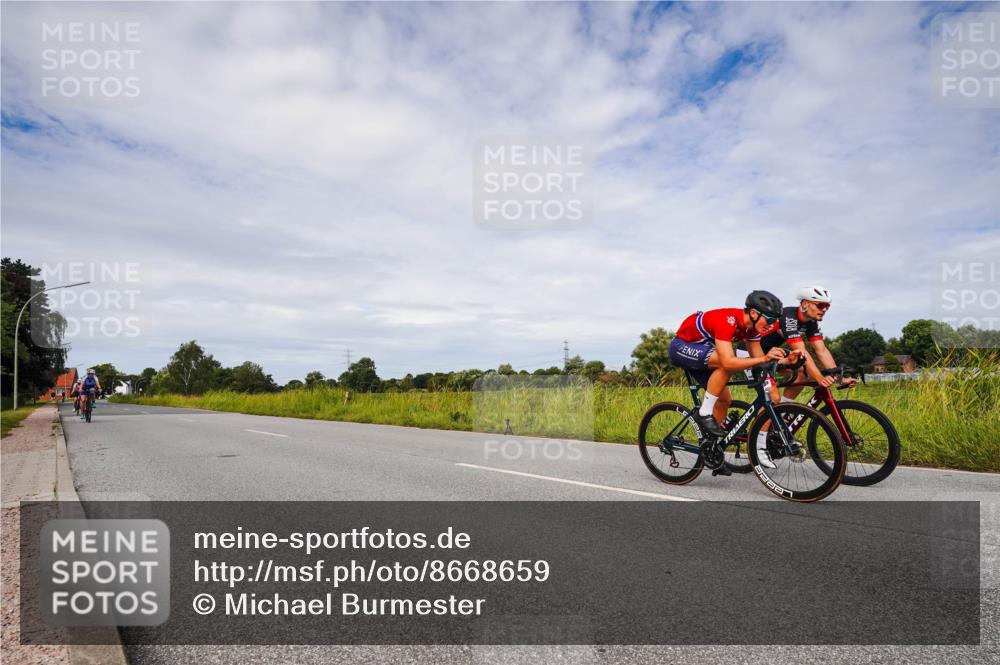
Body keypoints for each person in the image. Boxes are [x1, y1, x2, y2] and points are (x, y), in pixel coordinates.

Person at [669, 291, 803, 445]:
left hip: (704, 351)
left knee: (724, 400)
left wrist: (784, 361)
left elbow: (760, 361)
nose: (771, 325)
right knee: (727, 362)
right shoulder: (727, 320)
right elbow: (728, 362)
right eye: (770, 319)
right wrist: (764, 358)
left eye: (775, 321)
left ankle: (709, 446)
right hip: (681, 347)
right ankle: (704, 413)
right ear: (753, 313)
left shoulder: (753, 329)